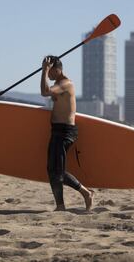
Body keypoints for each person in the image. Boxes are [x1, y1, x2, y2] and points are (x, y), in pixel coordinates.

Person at [40, 55, 94, 211]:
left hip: (65, 132)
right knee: (52, 170)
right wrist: (45, 70)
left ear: (57, 69)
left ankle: (86, 192)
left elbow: (44, 92)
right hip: (57, 130)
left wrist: (44, 70)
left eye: (50, 71)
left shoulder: (65, 84)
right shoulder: (58, 84)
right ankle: (60, 206)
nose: (48, 75)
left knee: (59, 171)